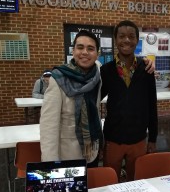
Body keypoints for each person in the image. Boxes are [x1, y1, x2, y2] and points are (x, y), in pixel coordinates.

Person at [101, 20, 158, 182]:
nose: (126, 40)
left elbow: (152, 104)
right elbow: (95, 99)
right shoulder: (106, 70)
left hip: (138, 138)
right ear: (115, 40)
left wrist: (152, 137)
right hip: (113, 139)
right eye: (122, 36)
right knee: (109, 181)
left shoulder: (146, 69)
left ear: (137, 40)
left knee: (136, 182)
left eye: (131, 37)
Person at [40, 30, 103, 167]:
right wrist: (51, 164)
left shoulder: (97, 73)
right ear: (73, 51)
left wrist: (144, 62)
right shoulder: (58, 79)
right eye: (80, 47)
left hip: (93, 150)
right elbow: (48, 128)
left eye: (90, 48)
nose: (85, 52)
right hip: (69, 155)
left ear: (97, 54)